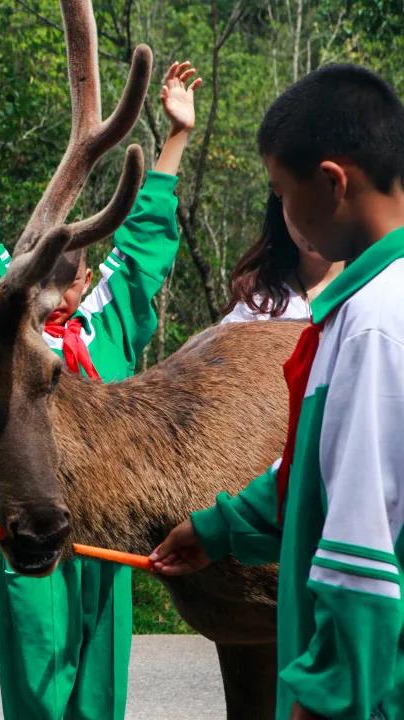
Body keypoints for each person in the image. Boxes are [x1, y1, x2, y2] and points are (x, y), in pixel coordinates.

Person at [0, 55, 197, 718]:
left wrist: (175, 138)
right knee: (37, 693)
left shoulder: (107, 324)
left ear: (83, 280)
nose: (52, 297)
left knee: (100, 694)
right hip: (33, 527)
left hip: (106, 531)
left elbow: (142, 252)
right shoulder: (4, 331)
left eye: (65, 284)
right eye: (40, 285)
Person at [152, 63, 404, 720]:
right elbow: (312, 470)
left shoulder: (375, 324)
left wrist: (323, 701)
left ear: (332, 183)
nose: (282, 213)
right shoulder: (355, 312)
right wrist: (221, 528)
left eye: (281, 192)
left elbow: (362, 548)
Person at [220, 193, 343, 323]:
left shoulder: (360, 293)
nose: (311, 220)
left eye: (323, 203)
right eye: (298, 205)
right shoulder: (256, 312)